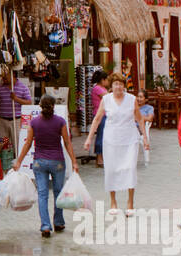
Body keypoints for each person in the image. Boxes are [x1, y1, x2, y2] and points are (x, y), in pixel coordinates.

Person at [12, 95, 76, 239]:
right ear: (53, 106)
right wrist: (74, 161)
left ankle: (45, 226)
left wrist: (19, 161)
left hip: (39, 162)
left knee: (42, 194)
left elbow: (28, 143)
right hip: (57, 162)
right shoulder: (60, 122)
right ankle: (58, 222)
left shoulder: (34, 123)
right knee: (58, 192)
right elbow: (67, 142)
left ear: (40, 105)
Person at [84, 71, 144, 215]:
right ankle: (113, 202)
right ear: (111, 86)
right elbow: (97, 119)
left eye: (121, 84)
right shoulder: (106, 100)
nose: (118, 87)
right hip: (111, 140)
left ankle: (130, 203)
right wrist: (89, 138)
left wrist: (145, 138)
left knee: (130, 169)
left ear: (124, 86)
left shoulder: (132, 99)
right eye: (115, 84)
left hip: (129, 139)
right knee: (111, 169)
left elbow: (139, 118)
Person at [0, 66, 31, 153]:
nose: (3, 78)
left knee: (18, 144)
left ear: (13, 75)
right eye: (2, 76)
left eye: (5, 76)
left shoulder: (23, 87)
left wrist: (16, 99)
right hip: (2, 120)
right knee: (0, 144)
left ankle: (18, 162)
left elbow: (29, 102)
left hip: (17, 120)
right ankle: (3, 163)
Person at [90, 70, 108, 167]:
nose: (108, 81)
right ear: (102, 80)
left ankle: (102, 157)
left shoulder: (102, 88)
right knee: (101, 136)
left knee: (104, 136)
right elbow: (109, 98)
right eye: (106, 79)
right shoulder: (97, 88)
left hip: (104, 114)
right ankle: (99, 158)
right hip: (100, 115)